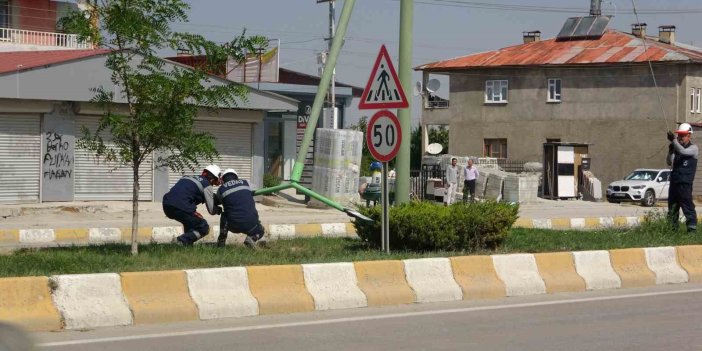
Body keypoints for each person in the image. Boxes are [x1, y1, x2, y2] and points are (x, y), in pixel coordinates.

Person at [162, 164, 222, 246]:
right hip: (182, 206)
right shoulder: (207, 185)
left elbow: (186, 192)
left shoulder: (189, 177)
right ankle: (179, 241)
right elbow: (211, 210)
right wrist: (218, 210)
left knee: (190, 224)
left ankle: (186, 246)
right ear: (213, 177)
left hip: (167, 204)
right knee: (203, 227)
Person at [216, 168, 266, 248]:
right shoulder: (246, 183)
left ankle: (221, 242)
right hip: (251, 224)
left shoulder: (221, 189)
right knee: (261, 229)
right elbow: (256, 189)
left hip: (233, 225)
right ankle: (252, 238)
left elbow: (219, 200)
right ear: (236, 177)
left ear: (223, 179)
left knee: (224, 215)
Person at [666, 123, 699, 233]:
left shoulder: (693, 148)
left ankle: (692, 230)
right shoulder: (677, 149)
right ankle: (672, 229)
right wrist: (670, 151)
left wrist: (674, 141)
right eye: (679, 135)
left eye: (682, 135)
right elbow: (669, 162)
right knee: (673, 208)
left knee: (687, 207)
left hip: (685, 184)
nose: (680, 137)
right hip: (674, 183)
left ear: (689, 135)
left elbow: (683, 151)